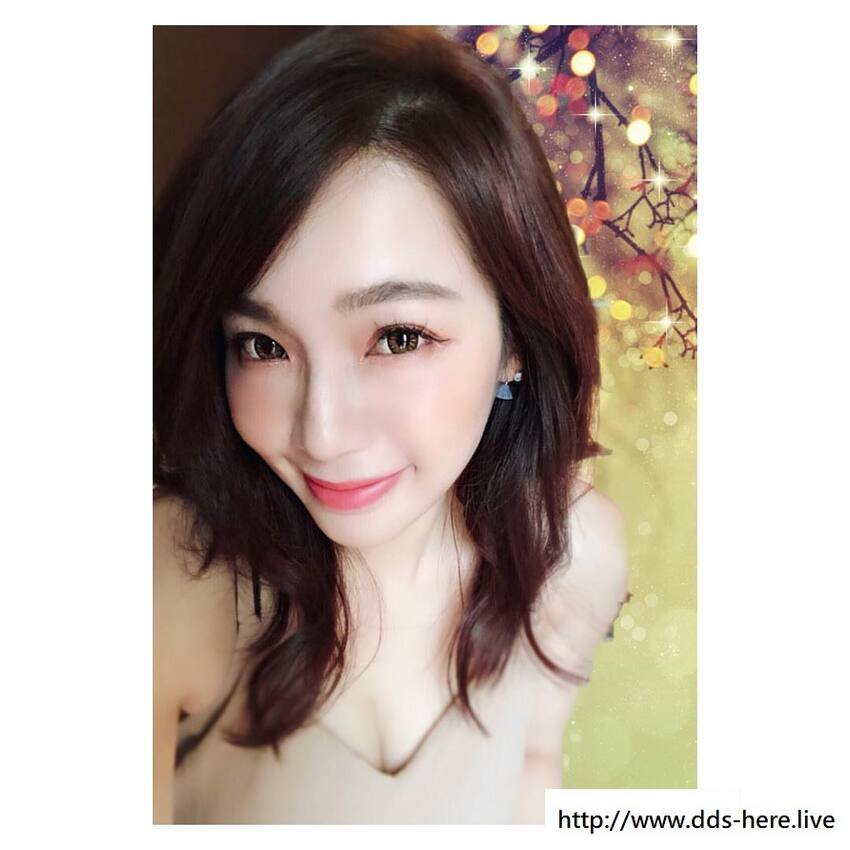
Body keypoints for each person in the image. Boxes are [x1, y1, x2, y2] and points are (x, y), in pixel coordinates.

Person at [153, 25, 630, 825]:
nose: (321, 433)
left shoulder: (572, 556)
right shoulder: (172, 579)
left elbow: (533, 767)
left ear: (515, 341)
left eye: (399, 338)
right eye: (263, 345)